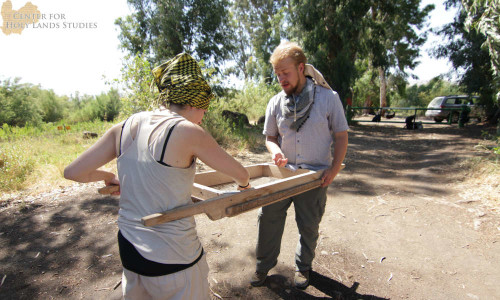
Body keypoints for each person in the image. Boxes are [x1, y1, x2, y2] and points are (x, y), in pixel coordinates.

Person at [64, 53, 251, 299]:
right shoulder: (188, 131)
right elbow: (240, 173)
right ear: (194, 102)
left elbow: (73, 172)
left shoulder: (124, 126)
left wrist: (108, 175)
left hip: (130, 250)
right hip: (173, 256)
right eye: (203, 110)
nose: (203, 116)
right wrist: (244, 185)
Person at [251, 41, 349, 289]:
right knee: (268, 219)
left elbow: (341, 136)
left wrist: (333, 169)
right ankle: (263, 267)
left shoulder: (328, 98)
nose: (281, 78)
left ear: (301, 68)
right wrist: (276, 152)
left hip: (315, 178)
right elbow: (270, 137)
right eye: (277, 74)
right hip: (282, 175)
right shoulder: (275, 102)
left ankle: (303, 267)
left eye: (285, 73)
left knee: (309, 225)